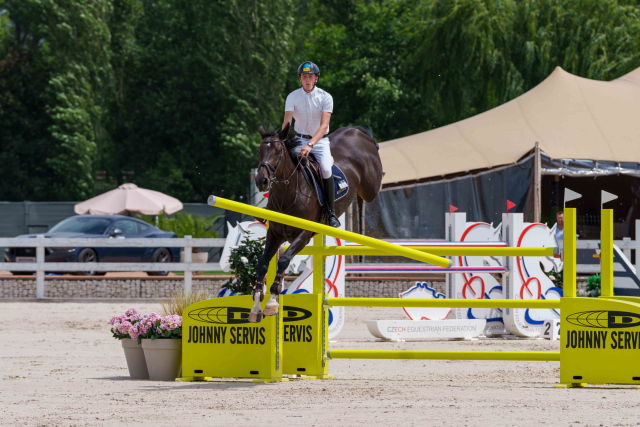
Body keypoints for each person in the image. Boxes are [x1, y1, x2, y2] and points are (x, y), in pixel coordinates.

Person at [282, 61, 340, 227]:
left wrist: (310, 145)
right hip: (299, 139)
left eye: (310, 76)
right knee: (281, 163)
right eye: (304, 76)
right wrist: (283, 140)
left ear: (316, 78)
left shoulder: (326, 97)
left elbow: (324, 126)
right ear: (300, 78)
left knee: (326, 169)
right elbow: (287, 123)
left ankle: (331, 213)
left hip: (320, 142)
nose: (307, 80)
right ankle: (273, 205)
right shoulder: (292, 96)